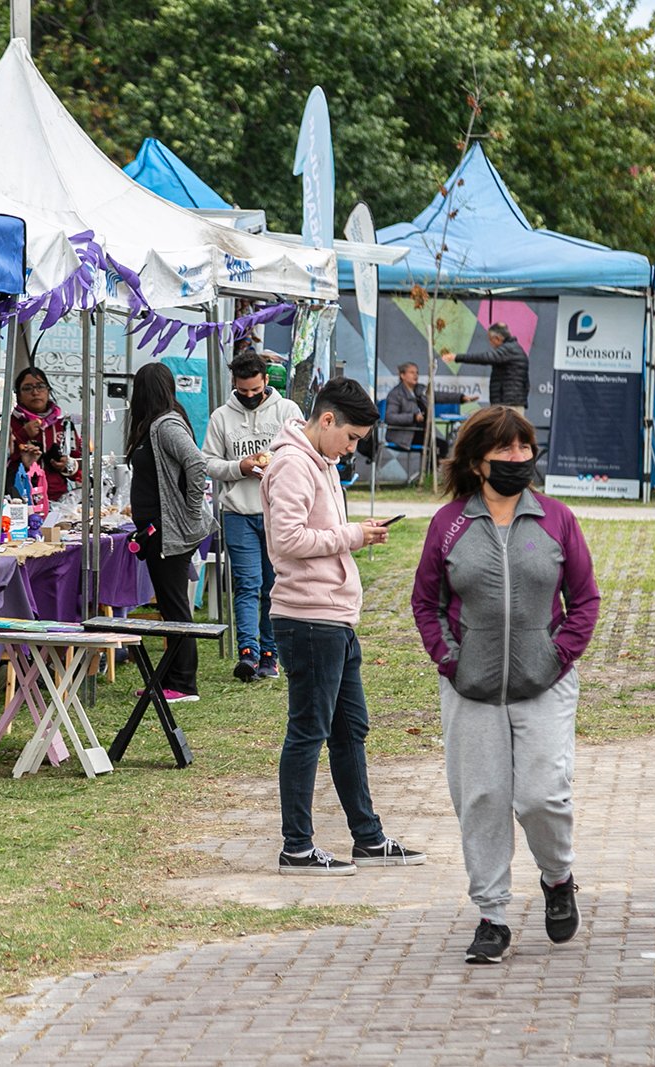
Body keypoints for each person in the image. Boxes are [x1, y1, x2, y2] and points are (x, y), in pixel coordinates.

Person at [411, 406, 599, 965]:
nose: (518, 459)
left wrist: (556, 655)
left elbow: (584, 600)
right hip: (471, 687)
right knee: (483, 799)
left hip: (544, 683)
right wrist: (450, 659)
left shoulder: (557, 520)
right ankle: (492, 916)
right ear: (476, 460)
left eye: (525, 449)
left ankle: (558, 877)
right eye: (505, 450)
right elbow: (427, 602)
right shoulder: (449, 524)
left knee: (542, 795)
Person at [262, 377, 425, 875]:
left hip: (334, 617)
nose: (351, 448)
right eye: (351, 437)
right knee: (308, 731)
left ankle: (368, 839)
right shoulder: (292, 464)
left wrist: (351, 538)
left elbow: (315, 533)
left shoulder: (322, 462)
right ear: (326, 420)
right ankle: (296, 846)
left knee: (349, 730)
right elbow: (287, 539)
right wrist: (352, 536)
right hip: (307, 617)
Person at [202, 352, 302, 683]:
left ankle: (270, 656)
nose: (249, 397)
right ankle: (248, 653)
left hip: (278, 512)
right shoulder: (221, 417)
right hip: (238, 512)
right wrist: (240, 467)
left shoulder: (287, 411)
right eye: (243, 392)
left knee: (273, 586)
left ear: (265, 381)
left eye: (255, 391)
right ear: (234, 384)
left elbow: (302, 453)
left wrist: (278, 466)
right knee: (247, 584)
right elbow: (207, 462)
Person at [127, 362, 213, 702]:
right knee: (169, 604)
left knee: (175, 606)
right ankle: (171, 679)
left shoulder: (166, 425)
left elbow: (197, 463)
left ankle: (182, 682)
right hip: (155, 531)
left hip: (169, 531)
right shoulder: (152, 426)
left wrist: (191, 510)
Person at [8, 367, 79, 508]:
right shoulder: (9, 422)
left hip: (59, 500)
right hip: (18, 500)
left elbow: (80, 461)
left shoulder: (63, 423)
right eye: (27, 388)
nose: (35, 392)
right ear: (19, 395)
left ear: (48, 391)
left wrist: (67, 465)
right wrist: (23, 435)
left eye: (40, 386)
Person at [384, 361, 471, 450]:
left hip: (421, 432)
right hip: (403, 435)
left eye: (417, 372)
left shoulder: (421, 389)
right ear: (402, 375)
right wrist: (414, 417)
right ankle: (434, 464)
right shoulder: (395, 394)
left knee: (441, 445)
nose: (416, 375)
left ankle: (433, 464)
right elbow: (390, 417)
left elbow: (439, 396)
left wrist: (461, 398)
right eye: (412, 372)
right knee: (440, 447)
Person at [445, 323, 529, 414]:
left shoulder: (507, 350)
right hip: (516, 402)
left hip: (506, 403)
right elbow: (527, 383)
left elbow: (485, 357)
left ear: (498, 338)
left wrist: (457, 357)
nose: (490, 343)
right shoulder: (517, 349)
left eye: (490, 339)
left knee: (502, 428)